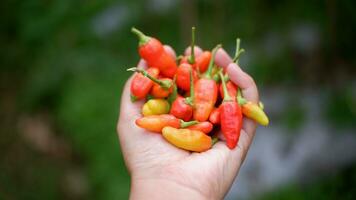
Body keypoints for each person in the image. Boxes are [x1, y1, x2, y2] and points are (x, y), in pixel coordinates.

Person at [117, 45, 259, 200]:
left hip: (194, 118)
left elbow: (210, 118)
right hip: (190, 122)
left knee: (207, 115)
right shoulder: (192, 97)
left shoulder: (203, 94)